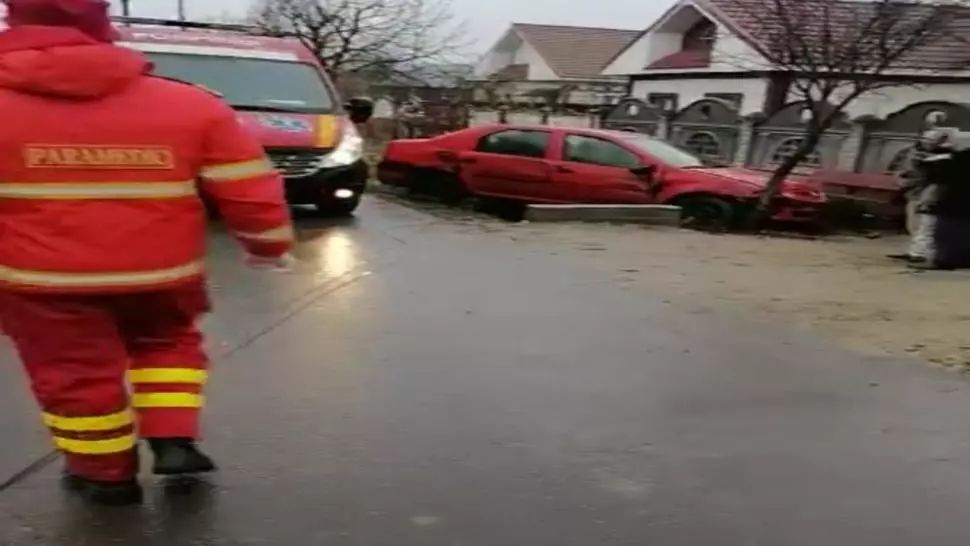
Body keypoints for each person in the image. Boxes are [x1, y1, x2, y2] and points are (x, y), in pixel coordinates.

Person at [0, 0, 293, 505]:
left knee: (75, 375)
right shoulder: (190, 104)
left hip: (43, 281)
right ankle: (174, 437)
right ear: (101, 26)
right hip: (163, 272)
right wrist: (268, 246)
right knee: (167, 345)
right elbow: (249, 188)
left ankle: (104, 475)